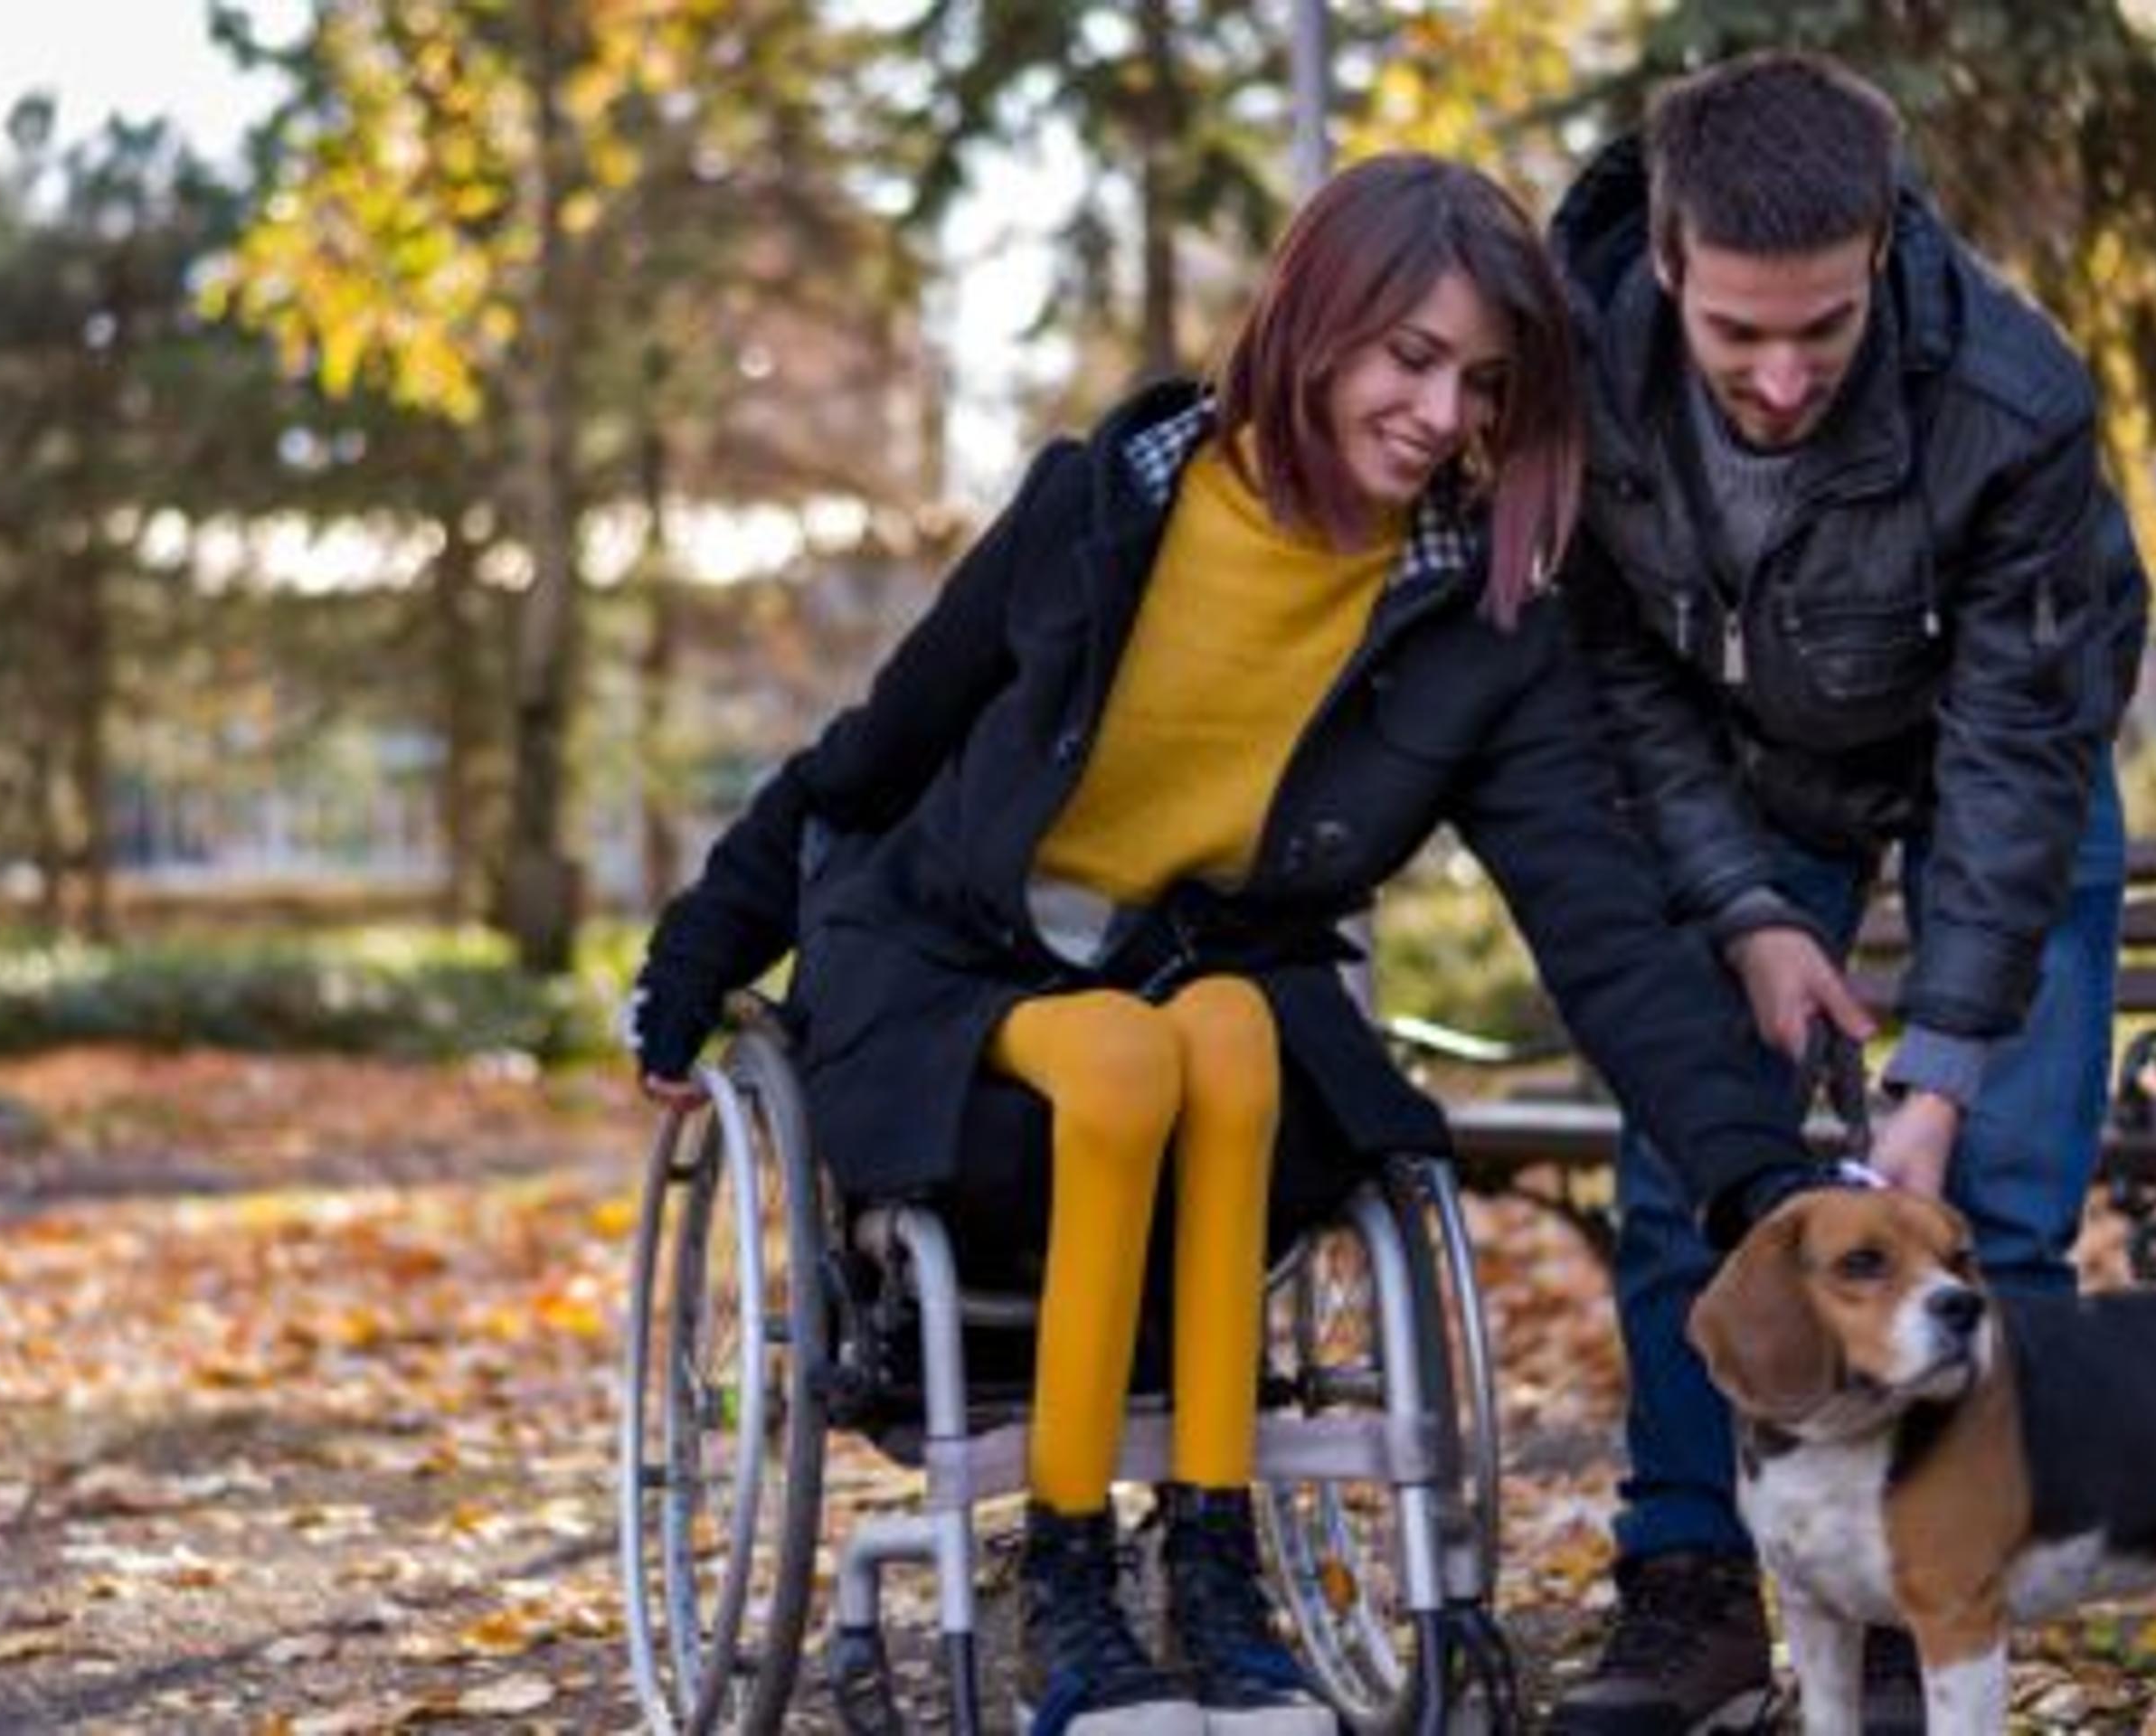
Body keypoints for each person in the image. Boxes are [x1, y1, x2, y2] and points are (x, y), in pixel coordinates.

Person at [629, 153, 1826, 1736]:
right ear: (1316, 322)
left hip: (1200, 1000)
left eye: (1482, 383)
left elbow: (1599, 928)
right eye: (1410, 358)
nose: (1441, 415)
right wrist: (699, 956)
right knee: (1132, 1058)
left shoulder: (1476, 628)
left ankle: (1216, 1567)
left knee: (1235, 1036)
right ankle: (1068, 1584)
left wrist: (1760, 1176)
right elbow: (878, 750)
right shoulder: (1102, 507)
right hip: (951, 991)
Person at [1537, 51, 2151, 1736]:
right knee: (1694, 1176)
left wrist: (1942, 1055)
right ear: (1665, 261)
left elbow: (2017, 751)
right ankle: (1686, 1587)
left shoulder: (2013, 400)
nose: (1787, 376)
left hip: (1996, 752)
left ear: (1884, 248)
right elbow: (1617, 680)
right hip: (1734, 767)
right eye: (1740, 334)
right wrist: (1744, 905)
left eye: (1826, 325)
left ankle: (1920, 1603)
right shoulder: (1570, 375)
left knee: (1993, 1193)